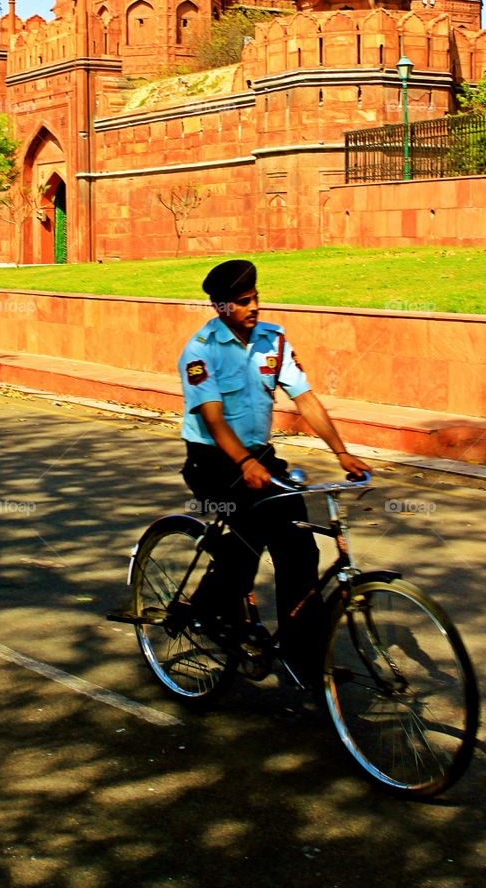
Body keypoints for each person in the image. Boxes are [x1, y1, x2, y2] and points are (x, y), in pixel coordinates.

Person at [178, 258, 370, 688]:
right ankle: (206, 613)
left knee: (300, 548)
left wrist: (341, 452)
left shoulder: (273, 340)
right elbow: (212, 418)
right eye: (244, 302)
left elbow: (304, 398)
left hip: (260, 458)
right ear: (221, 307)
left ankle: (303, 660)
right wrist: (243, 464)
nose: (254, 307)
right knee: (246, 544)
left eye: (256, 298)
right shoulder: (199, 351)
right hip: (212, 460)